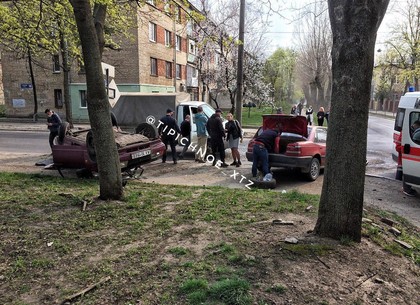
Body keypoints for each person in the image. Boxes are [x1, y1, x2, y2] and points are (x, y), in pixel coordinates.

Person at [395, 131, 417, 197]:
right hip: (403, 162)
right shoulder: (405, 131)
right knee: (398, 180)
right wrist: (408, 149)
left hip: (407, 161)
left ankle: (406, 189)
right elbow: (397, 147)